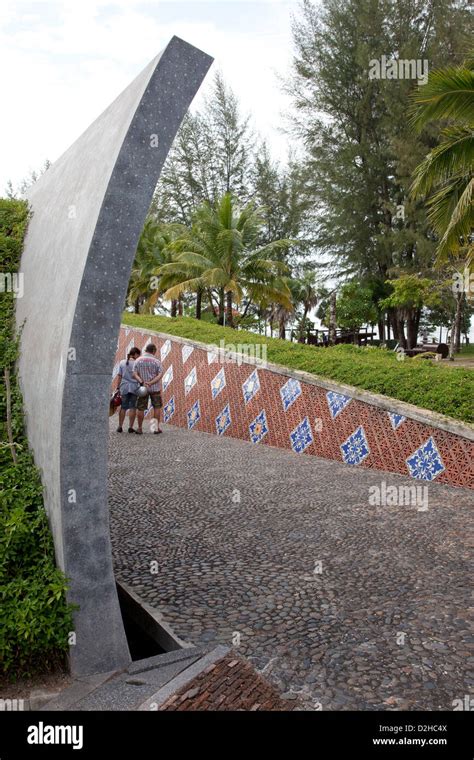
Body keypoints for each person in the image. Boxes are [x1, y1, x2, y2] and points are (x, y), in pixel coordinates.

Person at [132, 343, 164, 435]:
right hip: (155, 389)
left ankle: (140, 428)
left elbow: (134, 373)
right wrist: (151, 382)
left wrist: (142, 381)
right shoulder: (157, 361)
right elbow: (160, 375)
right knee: (156, 408)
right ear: (153, 351)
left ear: (146, 350)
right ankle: (155, 428)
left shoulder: (138, 360)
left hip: (143, 388)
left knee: (140, 408)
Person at [115, 347, 141, 433]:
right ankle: (130, 427)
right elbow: (139, 376)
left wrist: (118, 387)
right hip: (134, 387)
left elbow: (119, 376)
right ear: (136, 354)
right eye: (138, 355)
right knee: (133, 407)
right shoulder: (137, 364)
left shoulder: (122, 362)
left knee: (123, 407)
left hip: (124, 387)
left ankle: (120, 426)